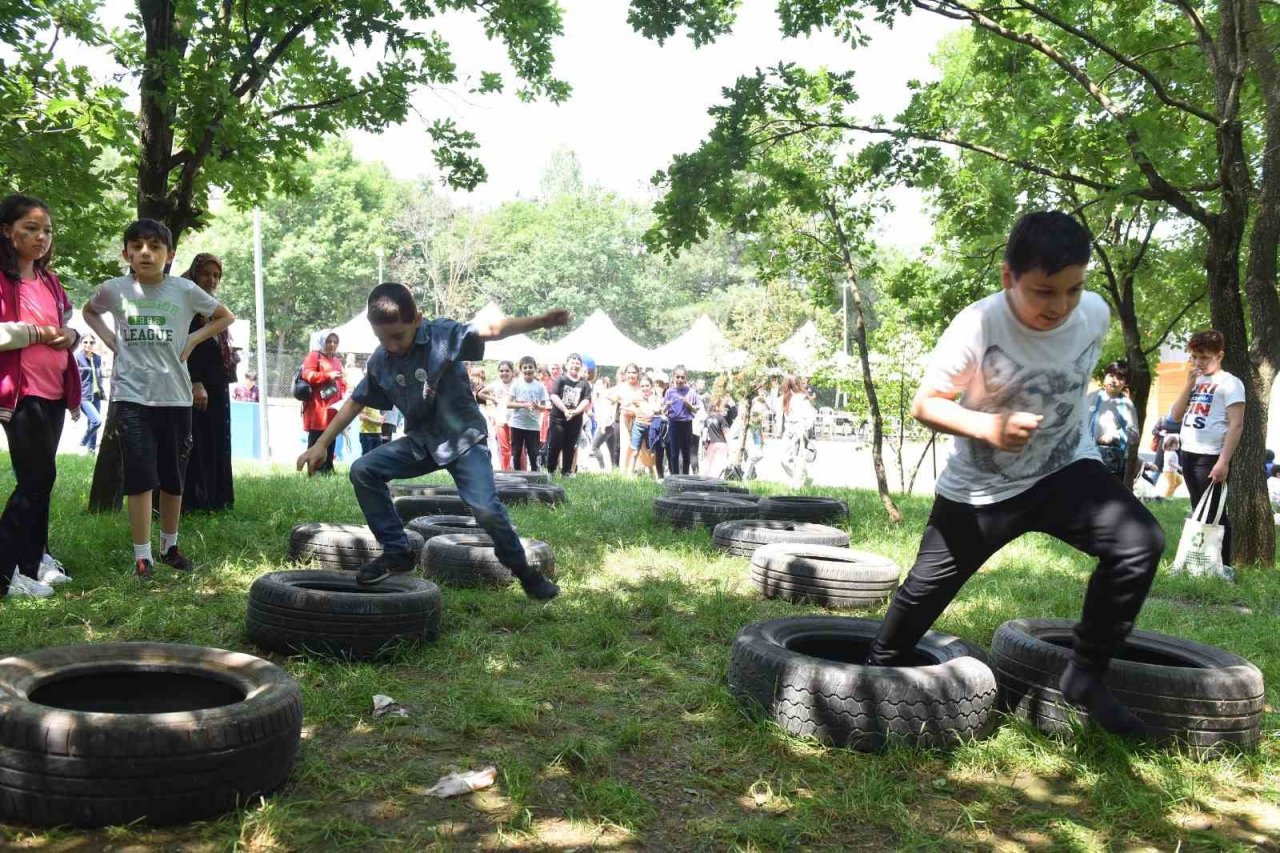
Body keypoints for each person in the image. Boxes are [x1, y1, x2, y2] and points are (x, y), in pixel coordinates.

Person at [865, 211, 1165, 739]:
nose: (1061, 306)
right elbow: (926, 404)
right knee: (922, 593)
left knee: (1140, 541)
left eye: (1073, 289)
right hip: (983, 489)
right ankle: (877, 665)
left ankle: (1086, 673)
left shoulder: (1093, 313)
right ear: (1009, 278)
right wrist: (989, 426)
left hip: (1064, 469)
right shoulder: (978, 325)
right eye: (1044, 291)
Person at [296, 282, 566, 599]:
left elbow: (492, 329)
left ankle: (525, 572)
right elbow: (355, 401)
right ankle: (397, 551)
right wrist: (321, 444)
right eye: (382, 338)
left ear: (417, 320)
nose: (391, 346)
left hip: (464, 440)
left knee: (486, 509)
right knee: (363, 470)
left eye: (397, 336)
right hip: (421, 442)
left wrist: (541, 321)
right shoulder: (381, 361)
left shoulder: (442, 335)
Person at [83, 218, 234, 579]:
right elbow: (90, 311)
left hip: (176, 398)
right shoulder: (114, 289)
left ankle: (170, 547)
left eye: (154, 247)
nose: (145, 253)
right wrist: (109, 340)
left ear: (170, 254)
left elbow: (224, 316)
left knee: (173, 476)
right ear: (126, 254)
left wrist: (195, 339)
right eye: (137, 247)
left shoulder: (184, 290)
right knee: (139, 475)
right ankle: (143, 556)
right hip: (131, 397)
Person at [0, 193, 81, 597]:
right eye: (30, 229)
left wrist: (73, 335)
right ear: (7, 231)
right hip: (21, 395)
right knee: (35, 480)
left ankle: (30, 566)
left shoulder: (49, 280)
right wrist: (35, 333)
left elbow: (66, 326)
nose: (40, 237)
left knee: (42, 479)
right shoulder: (2, 278)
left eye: (46, 230)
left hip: (54, 394)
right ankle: (3, 571)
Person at [1169, 329, 1245, 567]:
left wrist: (1223, 461)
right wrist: (1189, 384)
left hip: (1210, 456)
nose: (1198, 362)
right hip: (1188, 452)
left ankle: (1223, 567)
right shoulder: (1196, 380)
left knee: (1215, 514)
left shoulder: (1231, 383)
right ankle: (1201, 563)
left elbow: (1236, 425)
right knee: (1198, 509)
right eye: (1194, 357)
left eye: (1204, 357)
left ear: (1219, 355)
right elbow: (1176, 415)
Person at [181, 253, 236, 512]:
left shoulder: (212, 306)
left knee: (215, 439)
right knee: (196, 441)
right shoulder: (186, 305)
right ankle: (194, 500)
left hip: (216, 385)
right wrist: (195, 381)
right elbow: (184, 346)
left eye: (216, 275)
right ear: (194, 273)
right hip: (194, 385)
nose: (211, 280)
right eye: (206, 274)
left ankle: (215, 498)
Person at [300, 332, 345, 474]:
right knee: (317, 437)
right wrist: (327, 375)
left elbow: (341, 382)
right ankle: (314, 469)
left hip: (333, 408)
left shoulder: (337, 360)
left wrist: (342, 392)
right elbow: (307, 375)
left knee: (331, 435)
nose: (332, 344)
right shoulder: (314, 356)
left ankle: (328, 467)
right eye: (329, 341)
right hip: (318, 408)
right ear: (322, 342)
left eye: (335, 342)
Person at [1088, 360, 1138, 479]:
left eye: (1120, 377)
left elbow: (1134, 436)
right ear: (1105, 377)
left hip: (1111, 461)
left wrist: (1115, 436)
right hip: (1086, 457)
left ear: (1125, 382)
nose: (1114, 380)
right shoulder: (1091, 397)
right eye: (1111, 375)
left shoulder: (1126, 405)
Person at [546, 353, 592, 476]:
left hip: (575, 420)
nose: (575, 365)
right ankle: (550, 471)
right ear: (566, 365)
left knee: (570, 446)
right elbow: (554, 395)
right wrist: (565, 410)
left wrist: (576, 411)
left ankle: (566, 471)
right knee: (555, 444)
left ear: (580, 366)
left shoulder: (584, 384)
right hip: (558, 419)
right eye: (572, 362)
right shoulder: (560, 379)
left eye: (578, 363)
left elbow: (587, 399)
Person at [509, 356, 549, 471]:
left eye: (530, 367)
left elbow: (544, 407)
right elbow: (508, 404)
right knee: (516, 453)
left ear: (535, 369)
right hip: (517, 424)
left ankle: (535, 476)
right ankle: (516, 476)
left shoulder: (540, 386)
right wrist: (524, 405)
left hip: (533, 426)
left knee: (533, 453)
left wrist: (537, 406)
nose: (528, 370)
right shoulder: (516, 385)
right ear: (521, 370)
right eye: (525, 367)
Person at [779, 374, 817, 487]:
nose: (795, 385)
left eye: (796, 383)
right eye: (792, 383)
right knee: (783, 459)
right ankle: (805, 481)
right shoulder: (785, 399)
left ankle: (797, 485)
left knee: (799, 459)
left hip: (800, 429)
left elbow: (810, 415)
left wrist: (804, 429)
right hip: (789, 430)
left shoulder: (802, 398)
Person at [663, 365, 701, 476]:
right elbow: (664, 410)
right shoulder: (669, 392)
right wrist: (666, 407)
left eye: (682, 377)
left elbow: (696, 409)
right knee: (674, 454)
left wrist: (687, 403)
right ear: (674, 377)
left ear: (686, 378)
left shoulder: (691, 392)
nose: (680, 380)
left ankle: (685, 476)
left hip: (687, 423)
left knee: (686, 453)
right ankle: (674, 476)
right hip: (674, 423)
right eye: (678, 377)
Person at [626, 375, 662, 478]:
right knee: (635, 451)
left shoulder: (655, 397)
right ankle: (628, 477)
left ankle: (652, 476)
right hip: (638, 425)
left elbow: (657, 409)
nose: (644, 388)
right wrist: (634, 409)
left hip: (651, 427)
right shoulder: (637, 396)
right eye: (642, 386)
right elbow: (625, 404)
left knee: (650, 453)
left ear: (651, 386)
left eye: (647, 385)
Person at [76, 335, 106, 453]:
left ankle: (91, 451)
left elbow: (98, 376)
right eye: (85, 342)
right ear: (81, 343)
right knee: (96, 421)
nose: (88, 344)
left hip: (97, 395)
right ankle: (83, 442)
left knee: (92, 423)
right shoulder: (77, 358)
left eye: (91, 342)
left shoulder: (97, 358)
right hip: (84, 396)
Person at [488, 360, 516, 470]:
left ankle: (520, 470)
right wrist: (493, 398)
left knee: (517, 448)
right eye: (501, 371)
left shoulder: (517, 383)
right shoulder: (496, 384)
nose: (504, 373)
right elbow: (481, 393)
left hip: (515, 420)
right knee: (504, 448)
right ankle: (505, 470)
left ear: (512, 372)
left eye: (507, 371)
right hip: (500, 419)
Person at [589, 375, 617, 471]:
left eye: (599, 384)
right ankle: (614, 469)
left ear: (605, 385)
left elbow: (606, 412)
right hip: (608, 425)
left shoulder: (605, 397)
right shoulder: (599, 396)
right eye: (596, 384)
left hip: (606, 425)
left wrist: (603, 426)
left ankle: (603, 468)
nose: (597, 386)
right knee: (612, 449)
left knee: (595, 447)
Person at [703, 399, 730, 477]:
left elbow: (705, 434)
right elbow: (726, 432)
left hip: (711, 445)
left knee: (711, 465)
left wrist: (705, 445)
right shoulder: (721, 418)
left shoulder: (707, 419)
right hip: (721, 444)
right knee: (720, 465)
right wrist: (729, 445)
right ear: (716, 407)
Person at [1160, 434, 1183, 499]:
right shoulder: (1170, 452)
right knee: (1171, 485)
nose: (1178, 446)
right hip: (1169, 472)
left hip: (1173, 471)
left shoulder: (1172, 452)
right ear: (1172, 445)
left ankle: (1170, 494)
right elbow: (1169, 462)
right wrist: (1178, 467)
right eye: (1176, 444)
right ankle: (1166, 497)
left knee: (1179, 481)